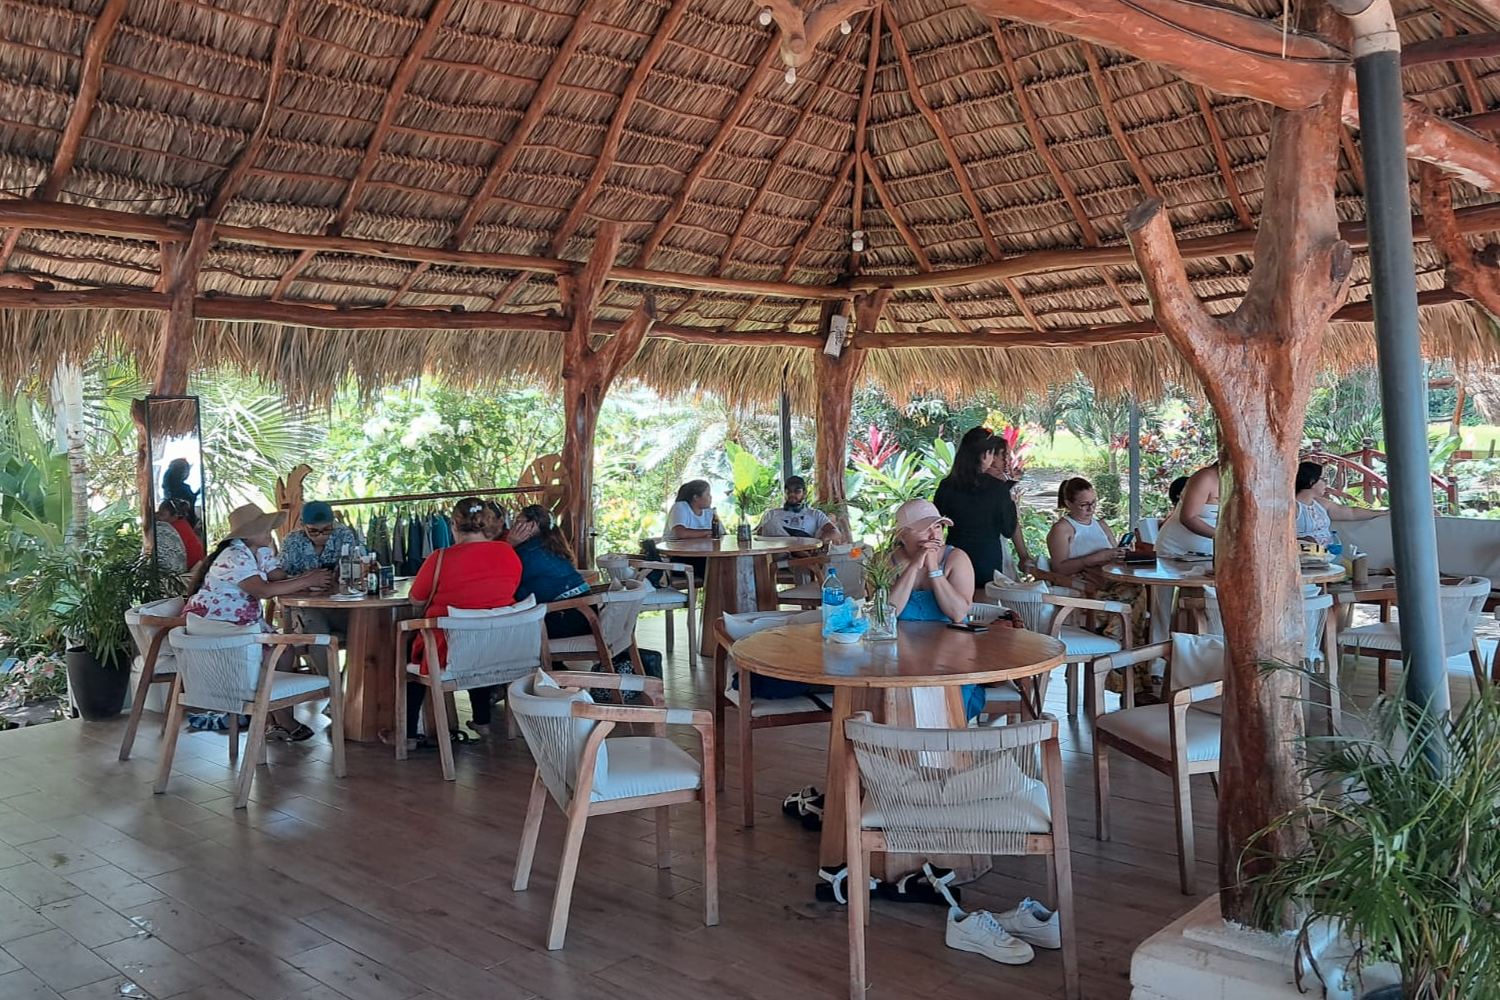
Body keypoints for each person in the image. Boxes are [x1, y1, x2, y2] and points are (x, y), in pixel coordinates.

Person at [183, 504, 335, 741]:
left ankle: (276, 719)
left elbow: (277, 577)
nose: (269, 533)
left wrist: (306, 579)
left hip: (242, 624)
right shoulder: (234, 556)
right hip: (223, 628)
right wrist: (307, 581)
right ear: (247, 534)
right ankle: (281, 719)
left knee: (284, 651)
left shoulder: (257, 552)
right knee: (281, 651)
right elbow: (262, 590)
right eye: (264, 529)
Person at [397, 497, 523, 745]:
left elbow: (416, 599)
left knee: (408, 648)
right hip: (498, 647)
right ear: (488, 523)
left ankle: (408, 734)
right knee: (477, 633)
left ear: (453, 524)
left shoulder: (440, 558)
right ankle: (482, 720)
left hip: (449, 649)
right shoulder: (508, 552)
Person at [887, 499, 987, 719]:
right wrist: (914, 567)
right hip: (900, 657)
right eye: (924, 529)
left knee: (947, 706)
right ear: (902, 535)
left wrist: (933, 569)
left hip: (951, 657)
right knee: (890, 699)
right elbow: (887, 614)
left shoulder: (956, 558)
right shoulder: (886, 562)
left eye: (938, 527)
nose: (934, 536)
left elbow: (958, 614)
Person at [934, 427, 1032, 584]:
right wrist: (1010, 503)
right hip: (987, 558)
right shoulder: (998, 488)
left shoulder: (947, 485)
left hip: (955, 554)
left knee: (957, 594)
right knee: (986, 597)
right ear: (986, 455)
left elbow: (936, 522)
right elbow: (1008, 529)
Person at [279, 501, 361, 674]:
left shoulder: (344, 535)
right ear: (302, 525)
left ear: (333, 524)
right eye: (313, 531)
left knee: (362, 624)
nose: (321, 535)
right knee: (317, 629)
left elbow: (354, 569)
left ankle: (351, 680)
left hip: (339, 604)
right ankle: (330, 682)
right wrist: (307, 581)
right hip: (304, 606)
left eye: (327, 529)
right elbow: (279, 576)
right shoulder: (292, 541)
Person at [509, 504, 593, 639]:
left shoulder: (529, 552)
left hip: (565, 619)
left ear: (532, 525)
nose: (512, 527)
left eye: (518, 522)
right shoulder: (551, 545)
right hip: (585, 616)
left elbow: (508, 583)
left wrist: (509, 545)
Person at [1046, 477, 1127, 578]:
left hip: (1112, 578)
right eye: (1084, 505)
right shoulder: (1062, 529)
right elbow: (1059, 570)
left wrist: (1123, 554)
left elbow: (1115, 555)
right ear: (1068, 504)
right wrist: (1097, 557)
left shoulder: (1101, 525)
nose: (1091, 509)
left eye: (1094, 502)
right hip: (1086, 582)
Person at [1295, 461, 1383, 545]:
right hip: (1304, 553)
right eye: (1323, 479)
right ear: (1312, 481)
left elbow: (1352, 513)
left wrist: (1381, 513)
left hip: (1328, 552)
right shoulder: (1294, 507)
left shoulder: (1321, 503)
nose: (1326, 483)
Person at [1155, 462, 1220, 557]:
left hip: (1210, 553)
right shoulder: (1206, 477)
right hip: (1176, 552)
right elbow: (1189, 518)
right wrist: (1225, 536)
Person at [756, 476, 839, 541]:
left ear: (804, 493)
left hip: (804, 547)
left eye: (797, 491)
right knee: (770, 524)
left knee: (771, 523)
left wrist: (822, 539)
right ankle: (794, 551)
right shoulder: (772, 513)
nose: (792, 494)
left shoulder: (815, 514)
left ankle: (796, 551)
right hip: (778, 551)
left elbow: (836, 532)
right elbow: (759, 534)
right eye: (789, 491)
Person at [151, 500, 191, 575]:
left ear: (174, 516)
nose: (158, 517)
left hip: (187, 570)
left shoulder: (173, 529)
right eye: (158, 513)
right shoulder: (182, 523)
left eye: (162, 514)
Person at [161, 458, 198, 524]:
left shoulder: (168, 488)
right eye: (187, 469)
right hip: (183, 523)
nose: (187, 472)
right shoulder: (181, 489)